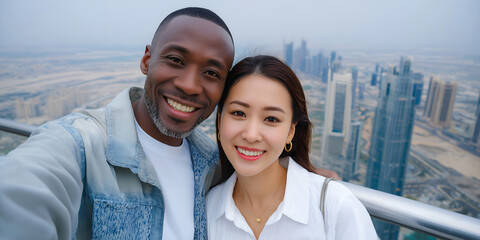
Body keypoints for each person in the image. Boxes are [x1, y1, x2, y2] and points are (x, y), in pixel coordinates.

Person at [0, 7, 338, 240]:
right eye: (175, 60)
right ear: (147, 59)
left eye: (211, 73)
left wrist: (296, 173)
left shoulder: (212, 164)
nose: (190, 85)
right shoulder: (77, 145)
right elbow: (21, 195)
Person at [207, 55, 378, 239]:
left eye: (271, 119)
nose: (251, 135)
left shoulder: (335, 207)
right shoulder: (208, 209)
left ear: (290, 131)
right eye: (239, 113)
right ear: (219, 119)